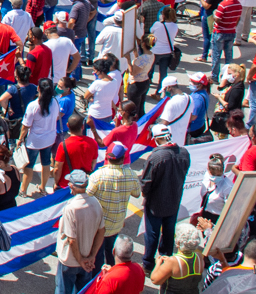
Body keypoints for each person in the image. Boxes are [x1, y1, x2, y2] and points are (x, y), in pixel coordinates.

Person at [140, 124, 190, 273]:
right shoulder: (184, 153)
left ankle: (148, 264)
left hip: (155, 203)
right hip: (174, 201)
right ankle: (166, 260)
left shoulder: (156, 157)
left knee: (152, 235)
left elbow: (146, 183)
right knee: (169, 232)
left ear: (156, 139)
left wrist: (146, 194)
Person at [87, 142, 142, 270]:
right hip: (116, 224)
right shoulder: (131, 175)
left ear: (107, 157)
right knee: (113, 255)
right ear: (123, 158)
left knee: (97, 256)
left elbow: (86, 196)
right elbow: (137, 193)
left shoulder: (98, 176)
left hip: (99, 226)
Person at [56, 170, 105, 294]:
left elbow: (72, 240)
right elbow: (101, 231)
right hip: (88, 259)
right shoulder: (96, 203)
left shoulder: (71, 208)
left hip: (70, 260)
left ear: (72, 186)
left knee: (63, 291)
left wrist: (80, 260)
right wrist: (92, 256)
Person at [147, 223, 204, 294]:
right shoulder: (199, 257)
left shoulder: (173, 262)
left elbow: (154, 280)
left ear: (178, 242)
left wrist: (158, 263)